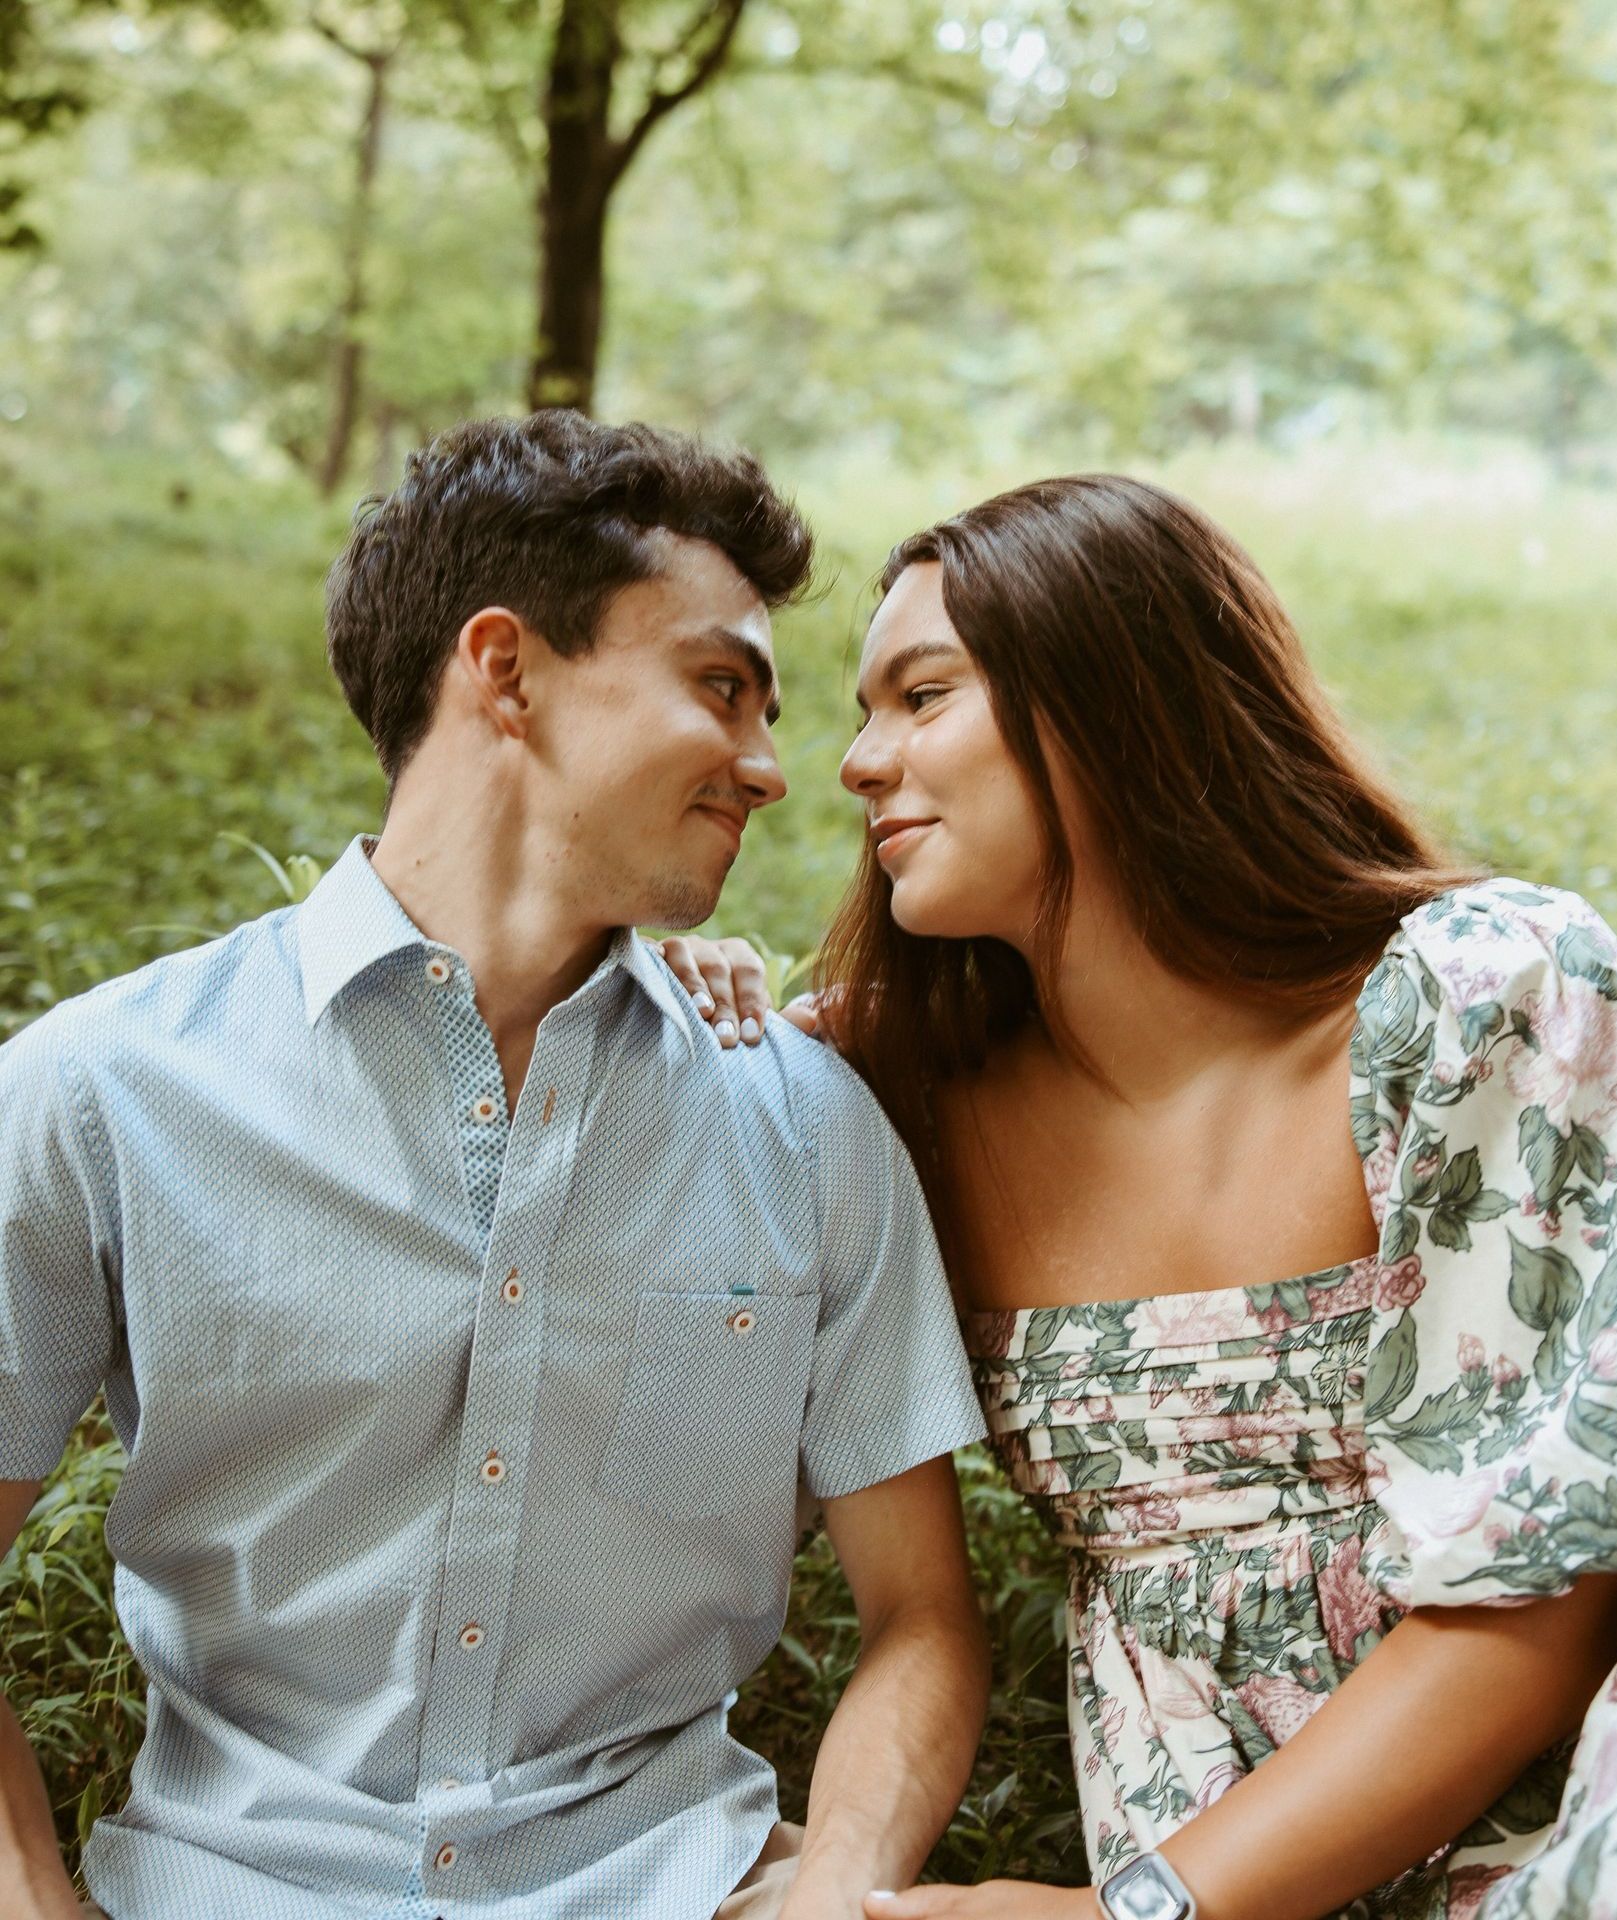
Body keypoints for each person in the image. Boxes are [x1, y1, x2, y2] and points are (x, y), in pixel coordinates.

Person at [666, 473, 1617, 1920]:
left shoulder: (1485, 996)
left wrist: (1126, 1915)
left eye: (921, 695)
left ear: (1108, 701)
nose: (856, 762)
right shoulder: (891, 1091)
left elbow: (1544, 1599)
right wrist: (696, 985)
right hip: (1235, 1817)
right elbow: (636, 1113)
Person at [0, 412, 991, 1920]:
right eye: (722, 686)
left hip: (682, 1885)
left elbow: (923, 1619)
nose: (773, 767)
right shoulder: (101, 1094)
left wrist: (833, 1896)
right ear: (507, 669)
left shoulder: (801, 1123)